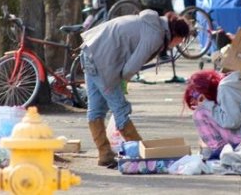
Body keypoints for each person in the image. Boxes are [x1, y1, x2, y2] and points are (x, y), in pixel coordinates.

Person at [81, 10, 190, 167]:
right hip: (103, 60)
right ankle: (140, 152)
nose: (178, 45)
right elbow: (131, 66)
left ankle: (104, 154)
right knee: (120, 108)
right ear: (176, 34)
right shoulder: (155, 35)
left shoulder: (155, 25)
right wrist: (123, 80)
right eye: (180, 41)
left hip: (91, 49)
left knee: (96, 109)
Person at [183, 70, 241, 159]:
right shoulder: (232, 86)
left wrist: (207, 104)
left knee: (199, 113)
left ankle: (218, 152)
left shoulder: (225, 88)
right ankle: (218, 152)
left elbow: (232, 122)